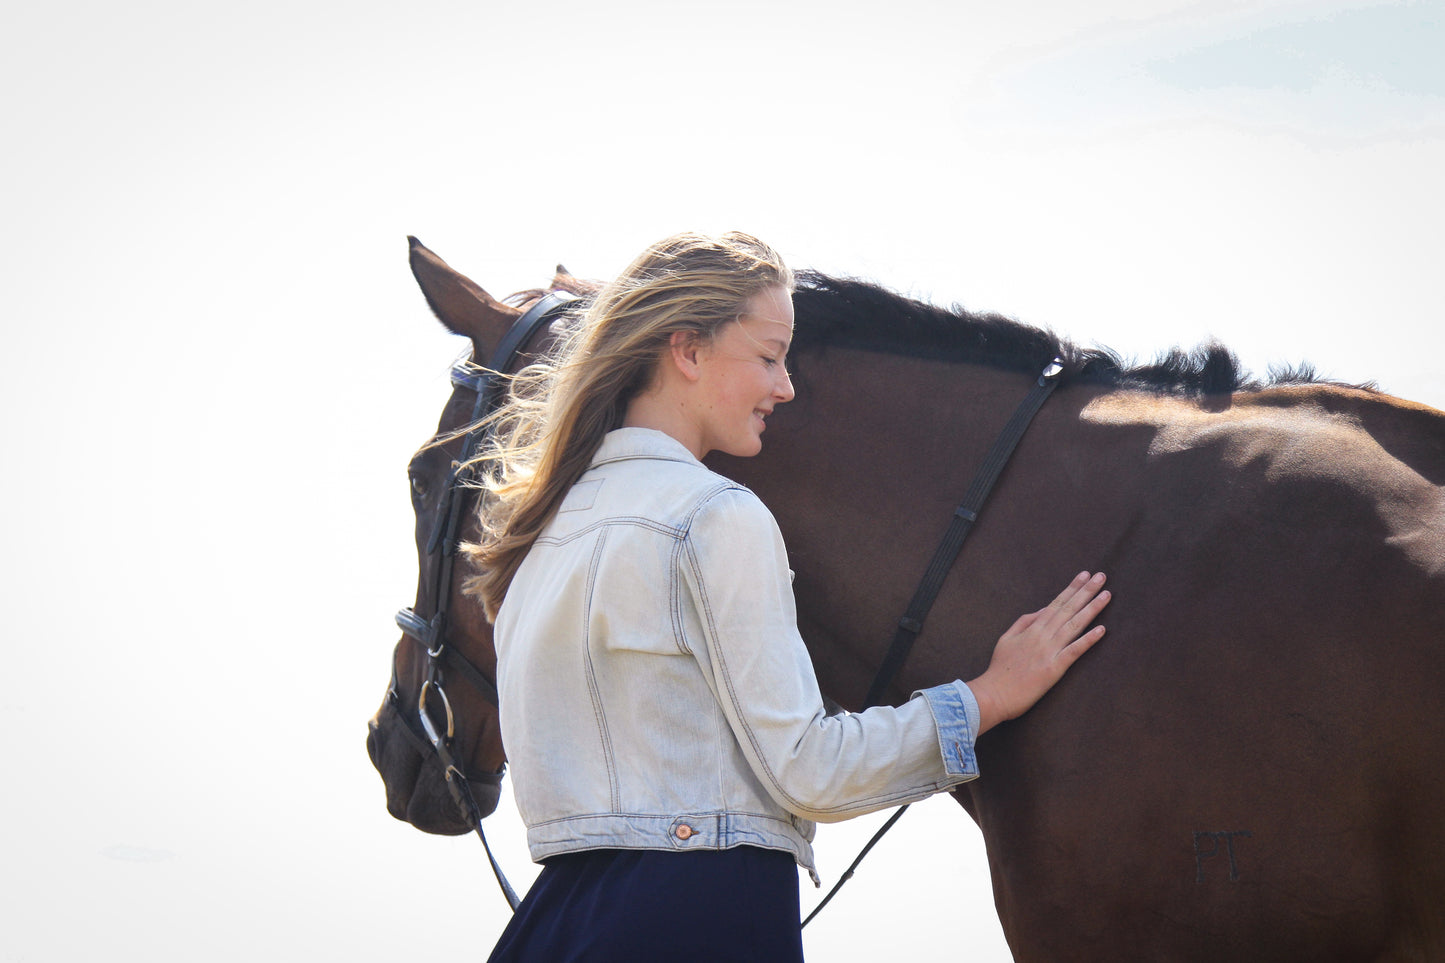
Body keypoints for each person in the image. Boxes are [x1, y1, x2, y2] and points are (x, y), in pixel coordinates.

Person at [464, 232, 1110, 962]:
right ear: (688, 350)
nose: (785, 387)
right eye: (769, 357)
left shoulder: (536, 537)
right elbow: (810, 771)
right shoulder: (714, 516)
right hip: (695, 921)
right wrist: (989, 695)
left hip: (550, 929)